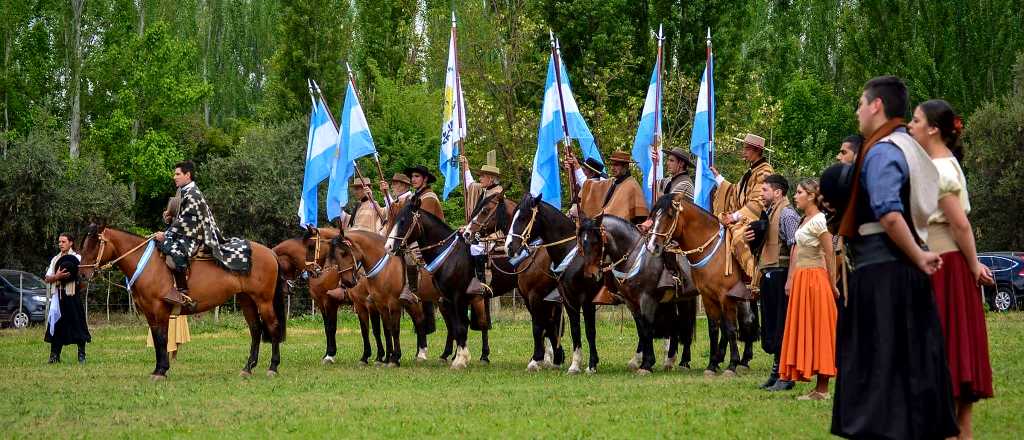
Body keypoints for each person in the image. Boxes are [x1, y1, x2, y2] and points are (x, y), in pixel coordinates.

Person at [828, 75, 958, 439]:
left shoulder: (883, 150)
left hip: (883, 273)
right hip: (905, 274)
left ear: (876, 106)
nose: (857, 111)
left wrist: (917, 254)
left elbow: (887, 211)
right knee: (911, 363)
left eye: (859, 103)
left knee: (881, 362)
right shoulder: (909, 146)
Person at [909, 98, 994, 439]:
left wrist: (973, 265)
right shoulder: (941, 164)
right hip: (945, 266)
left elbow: (959, 225)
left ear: (932, 128)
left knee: (945, 356)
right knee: (951, 359)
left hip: (945, 268)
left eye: (915, 121)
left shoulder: (940, 170)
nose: (910, 126)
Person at [154, 160, 252, 307]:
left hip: (198, 236)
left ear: (188, 175)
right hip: (186, 233)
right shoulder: (182, 191)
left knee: (175, 252)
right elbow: (180, 218)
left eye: (177, 174)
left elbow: (186, 221)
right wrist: (168, 217)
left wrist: (166, 234)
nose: (174, 177)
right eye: (175, 174)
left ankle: (182, 292)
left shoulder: (193, 194)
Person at [777, 179, 838, 400]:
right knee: (807, 328)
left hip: (815, 278)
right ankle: (818, 387)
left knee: (819, 328)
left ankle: (823, 389)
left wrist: (832, 283)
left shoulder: (819, 220)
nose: (795, 196)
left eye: (800, 192)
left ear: (811, 196)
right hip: (803, 277)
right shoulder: (806, 219)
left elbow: (830, 253)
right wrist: (792, 277)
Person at [568, 150, 648, 305]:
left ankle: (613, 290)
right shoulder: (611, 182)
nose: (613, 167)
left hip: (625, 237)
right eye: (612, 164)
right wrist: (575, 167)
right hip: (605, 230)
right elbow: (589, 186)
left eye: (617, 164)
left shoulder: (631, 185)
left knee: (603, 247)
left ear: (625, 166)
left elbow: (640, 216)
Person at [744, 175, 800, 392]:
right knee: (773, 326)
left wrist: (791, 278)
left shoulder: (787, 214)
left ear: (778, 192)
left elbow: (796, 246)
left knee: (783, 325)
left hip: (781, 274)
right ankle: (776, 371)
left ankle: (787, 374)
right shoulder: (769, 214)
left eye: (765, 190)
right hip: (769, 273)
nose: (762, 193)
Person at [710, 133, 775, 297]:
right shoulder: (751, 171)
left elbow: (757, 203)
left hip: (759, 220)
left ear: (756, 151)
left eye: (746, 148)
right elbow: (735, 193)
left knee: (739, 237)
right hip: (744, 217)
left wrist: (733, 217)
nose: (743, 151)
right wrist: (719, 180)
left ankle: (753, 282)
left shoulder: (764, 172)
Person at [460, 152, 504, 294]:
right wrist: (466, 166)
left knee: (475, 247)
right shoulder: (485, 191)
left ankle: (481, 282)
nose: (480, 179)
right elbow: (470, 184)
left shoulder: (497, 194)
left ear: (490, 179)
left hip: (494, 233)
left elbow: (493, 220)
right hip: (480, 230)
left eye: (482, 176)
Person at [43, 233, 90, 364]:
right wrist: (56, 277)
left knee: (78, 324)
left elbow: (84, 277)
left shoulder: (78, 258)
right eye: (59, 242)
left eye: (63, 241)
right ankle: (54, 356)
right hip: (58, 296)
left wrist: (77, 281)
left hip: (72, 295)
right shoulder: (55, 259)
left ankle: (81, 355)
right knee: (57, 325)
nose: (60, 244)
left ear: (71, 243)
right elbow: (47, 278)